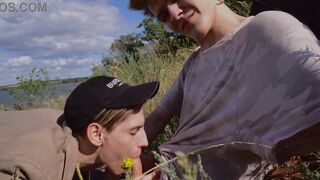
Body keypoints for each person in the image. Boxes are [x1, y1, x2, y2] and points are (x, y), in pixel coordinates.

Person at [129, 0, 320, 179]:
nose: (173, 13)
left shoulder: (266, 29)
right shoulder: (193, 63)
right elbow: (158, 117)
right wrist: (126, 156)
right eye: (163, 15)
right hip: (162, 167)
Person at [0, 76, 159, 180]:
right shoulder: (31, 170)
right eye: (133, 132)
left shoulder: (79, 132)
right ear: (96, 134)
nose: (145, 141)